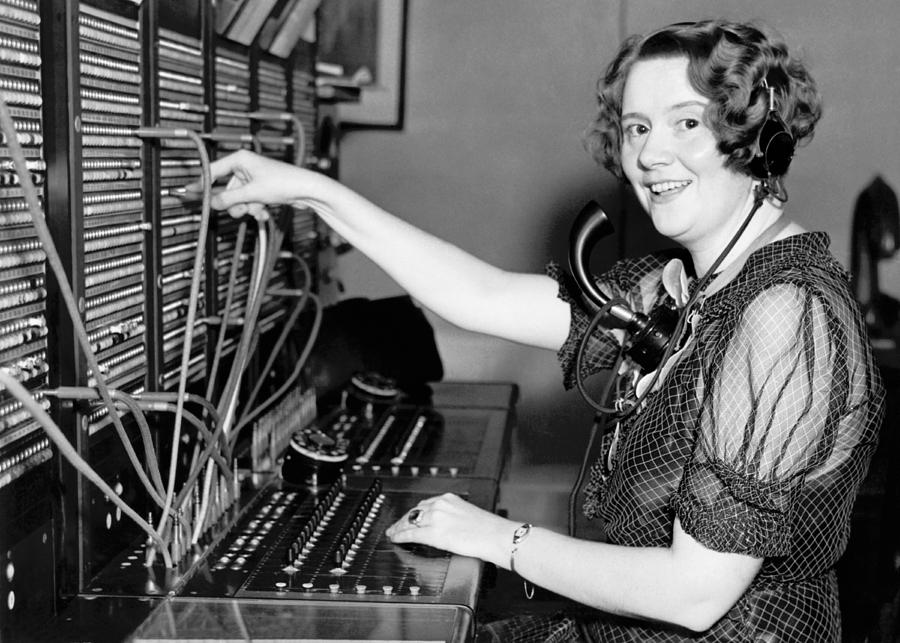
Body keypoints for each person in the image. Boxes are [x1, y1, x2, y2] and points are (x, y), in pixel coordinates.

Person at [202, 18, 884, 642]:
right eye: (637, 127)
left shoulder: (784, 312)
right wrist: (309, 191)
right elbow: (481, 294)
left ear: (756, 135)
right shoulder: (692, 287)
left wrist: (500, 537)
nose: (650, 156)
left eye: (686, 123)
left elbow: (695, 594)